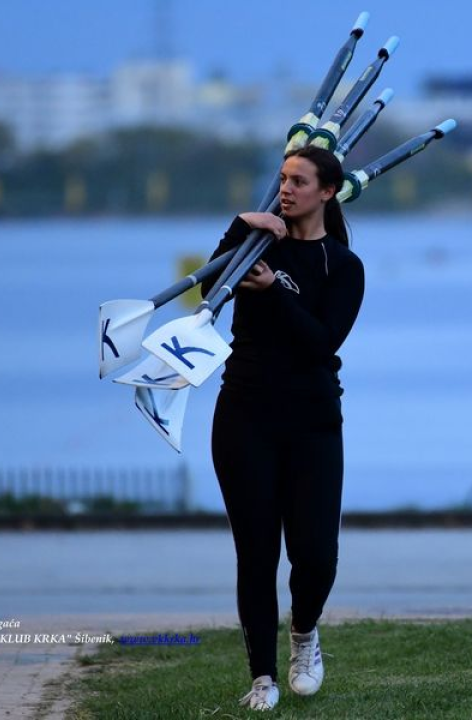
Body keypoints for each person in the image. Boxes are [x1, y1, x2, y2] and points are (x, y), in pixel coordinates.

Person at [200, 146, 365, 712]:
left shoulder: (342, 266)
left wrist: (274, 291)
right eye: (283, 178)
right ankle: (263, 679)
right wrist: (239, 225)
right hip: (244, 417)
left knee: (316, 556)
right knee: (256, 554)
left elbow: (321, 342)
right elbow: (209, 295)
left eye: (299, 181)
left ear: (327, 192)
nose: (286, 189)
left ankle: (304, 633)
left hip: (313, 421)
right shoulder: (254, 245)